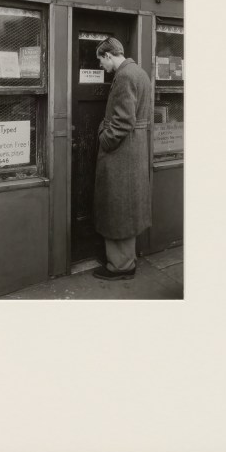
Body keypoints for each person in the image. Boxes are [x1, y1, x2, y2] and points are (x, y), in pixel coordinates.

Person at [92, 37, 153, 280]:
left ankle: (120, 266)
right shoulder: (139, 73)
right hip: (134, 152)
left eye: (100, 60)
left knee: (117, 207)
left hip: (120, 154)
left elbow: (123, 121)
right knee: (128, 207)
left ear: (108, 55)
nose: (100, 67)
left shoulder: (124, 76)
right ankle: (126, 260)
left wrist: (104, 138)